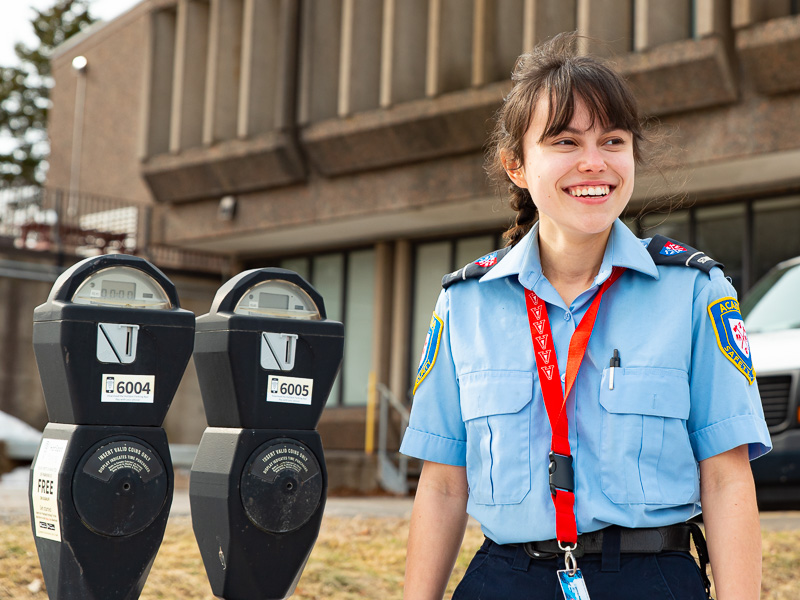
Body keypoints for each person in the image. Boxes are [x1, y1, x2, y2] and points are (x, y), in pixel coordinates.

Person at [400, 32, 771, 600]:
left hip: (652, 578)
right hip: (507, 579)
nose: (594, 163)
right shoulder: (466, 303)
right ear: (516, 165)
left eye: (613, 141)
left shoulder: (696, 293)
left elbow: (725, 478)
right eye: (566, 142)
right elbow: (444, 485)